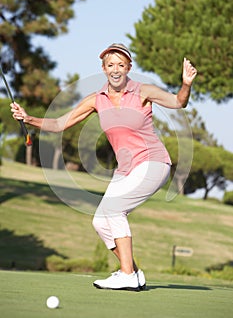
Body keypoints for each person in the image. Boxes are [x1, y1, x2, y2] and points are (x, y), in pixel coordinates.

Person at [10, 43, 197, 291]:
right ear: (103, 68)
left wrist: (186, 84)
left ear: (129, 68)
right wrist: (28, 118)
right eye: (111, 65)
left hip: (153, 162)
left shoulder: (143, 91)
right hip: (125, 169)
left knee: (114, 210)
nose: (116, 69)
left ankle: (127, 274)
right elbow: (59, 124)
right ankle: (133, 272)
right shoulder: (96, 100)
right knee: (100, 221)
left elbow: (178, 102)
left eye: (121, 64)